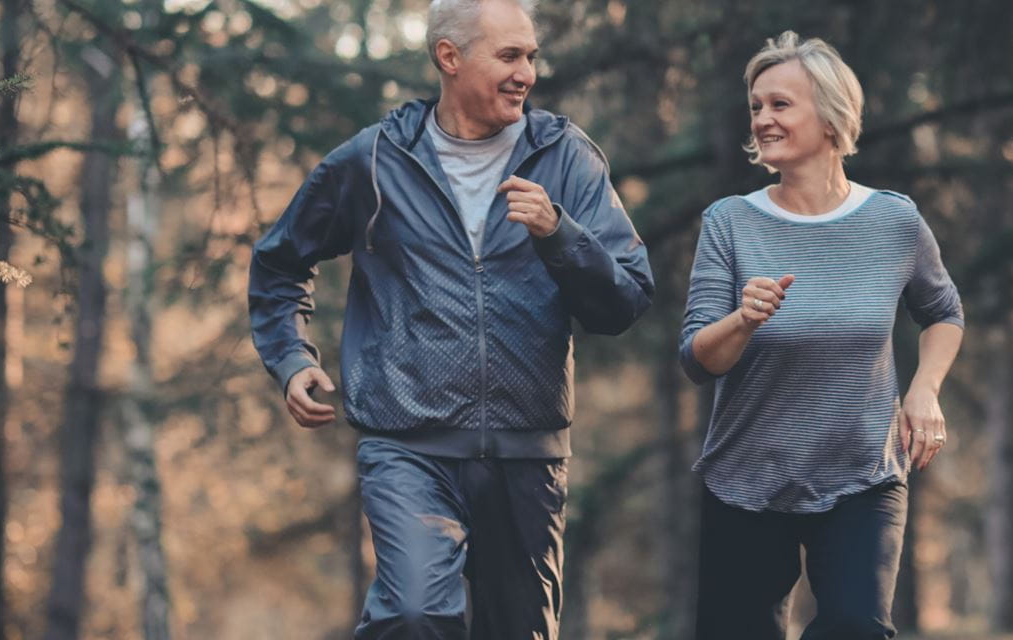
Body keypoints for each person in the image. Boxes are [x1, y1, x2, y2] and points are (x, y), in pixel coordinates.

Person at [247, 0, 654, 636]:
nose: (527, 73)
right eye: (510, 56)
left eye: (531, 56)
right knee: (413, 615)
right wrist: (292, 356)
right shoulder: (375, 161)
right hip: (409, 444)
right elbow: (278, 265)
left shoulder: (565, 157)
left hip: (527, 452)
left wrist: (558, 233)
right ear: (449, 57)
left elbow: (624, 300)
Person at [678, 30, 965, 639]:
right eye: (756, 106)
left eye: (780, 104)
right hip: (747, 477)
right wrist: (743, 319)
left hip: (862, 472)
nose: (762, 120)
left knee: (858, 627)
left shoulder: (894, 220)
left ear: (831, 117)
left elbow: (943, 311)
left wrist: (925, 390)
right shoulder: (730, 223)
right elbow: (698, 358)